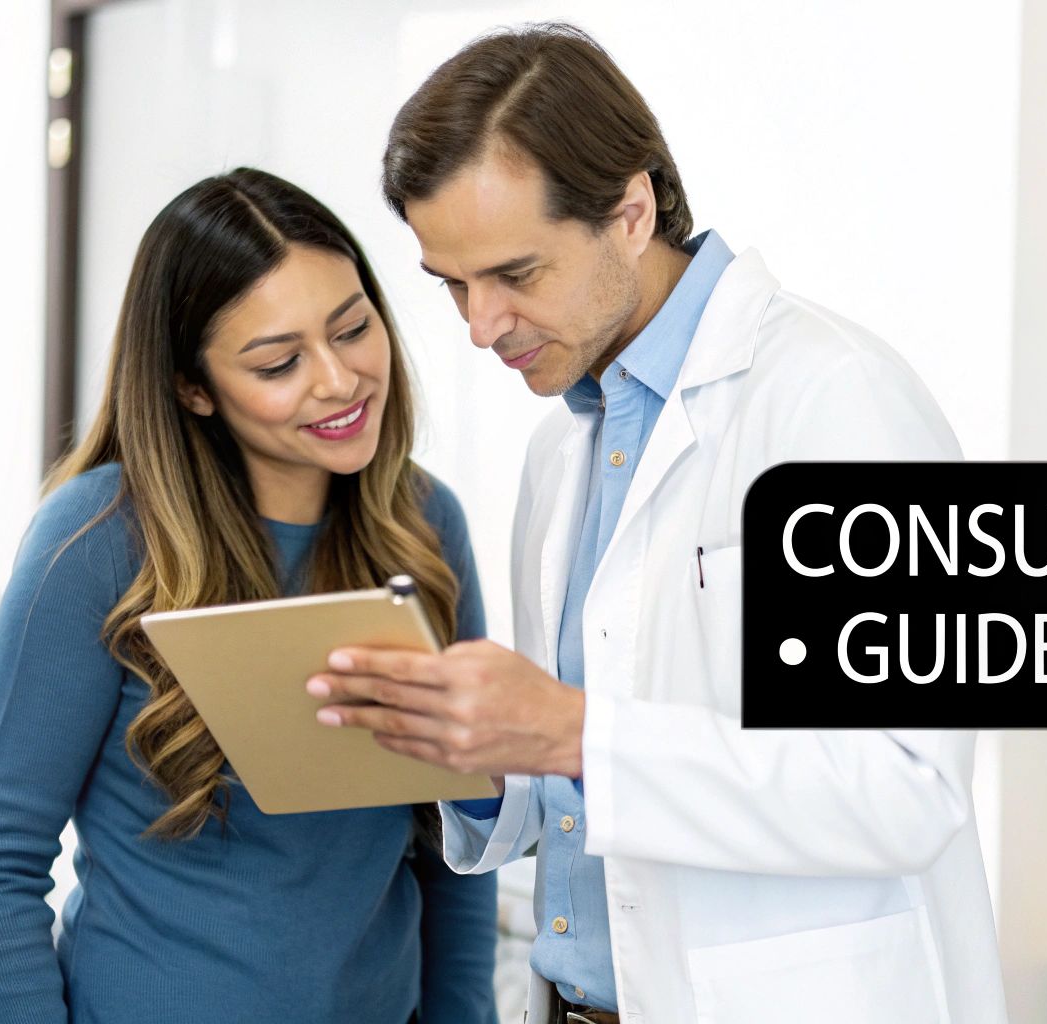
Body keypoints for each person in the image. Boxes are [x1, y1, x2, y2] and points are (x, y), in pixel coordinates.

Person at [306, 24, 1008, 1024]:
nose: (478, 325)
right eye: (453, 284)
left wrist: (574, 732)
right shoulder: (564, 450)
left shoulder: (832, 400)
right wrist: (462, 756)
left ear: (629, 212)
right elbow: (581, 786)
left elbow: (904, 784)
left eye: (514, 274)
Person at [0, 168, 497, 1024]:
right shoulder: (94, 543)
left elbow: (457, 847)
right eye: (279, 362)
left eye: (354, 330)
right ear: (192, 388)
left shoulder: (423, 527)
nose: (340, 381)